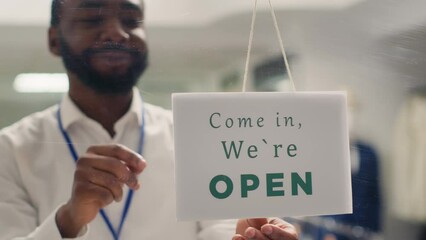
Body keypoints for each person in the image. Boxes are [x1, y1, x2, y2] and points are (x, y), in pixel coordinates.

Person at [0, 0, 298, 239]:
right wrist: (68, 219)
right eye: (92, 19)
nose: (117, 32)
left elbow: (219, 229)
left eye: (131, 20)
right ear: (54, 40)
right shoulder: (10, 149)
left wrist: (248, 234)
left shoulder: (195, 135)